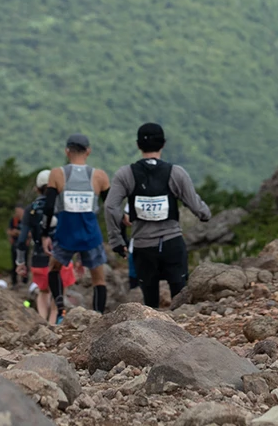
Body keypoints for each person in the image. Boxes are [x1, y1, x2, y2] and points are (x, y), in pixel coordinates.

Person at [105, 122, 211, 308]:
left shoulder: (125, 174)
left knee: (150, 303)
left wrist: (116, 241)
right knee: (181, 299)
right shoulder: (176, 173)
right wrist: (205, 214)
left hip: (143, 246)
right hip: (172, 243)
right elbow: (194, 204)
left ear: (138, 145)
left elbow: (111, 207)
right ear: (163, 144)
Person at [42, 133, 112, 314]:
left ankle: (60, 309)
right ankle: (98, 316)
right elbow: (111, 207)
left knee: (54, 268)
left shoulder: (57, 174)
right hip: (91, 234)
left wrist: (44, 235)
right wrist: (118, 235)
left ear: (67, 151)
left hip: (66, 233)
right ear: (88, 151)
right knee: (99, 279)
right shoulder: (99, 176)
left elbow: (48, 207)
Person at [15, 169, 72, 325]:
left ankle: (42, 323)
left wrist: (20, 263)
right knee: (58, 295)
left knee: (43, 291)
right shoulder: (63, 206)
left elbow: (21, 240)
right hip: (62, 257)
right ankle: (54, 324)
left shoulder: (30, 209)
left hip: (38, 258)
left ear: (37, 188)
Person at [8, 205, 26, 285]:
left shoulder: (27, 220)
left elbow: (30, 233)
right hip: (15, 244)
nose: (17, 213)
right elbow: (9, 231)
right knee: (14, 262)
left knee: (25, 262)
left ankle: (25, 280)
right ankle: (14, 281)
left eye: (19, 211)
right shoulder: (13, 220)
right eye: (16, 211)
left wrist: (20, 233)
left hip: (25, 244)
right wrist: (14, 232)